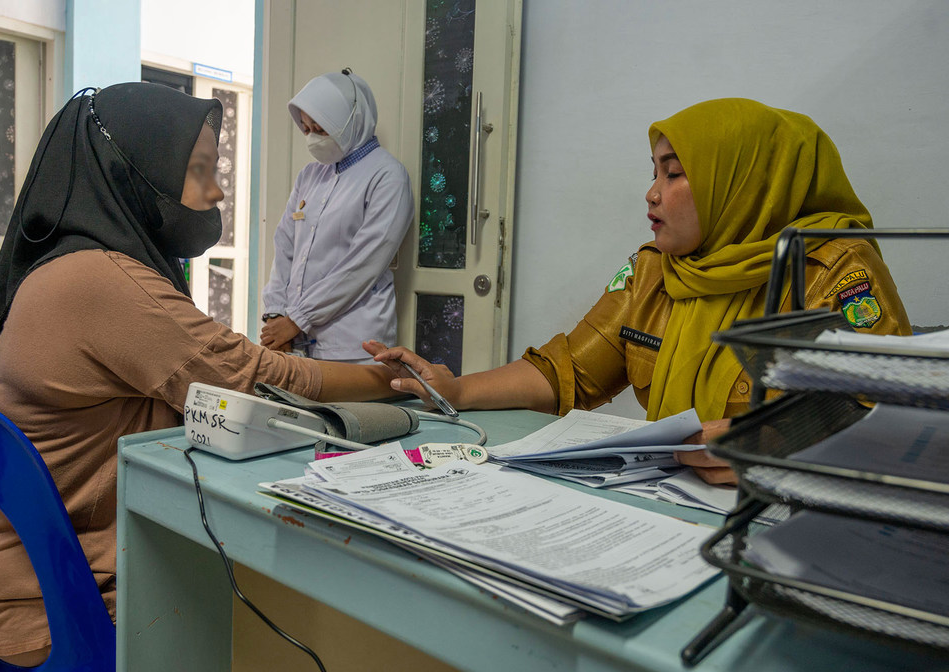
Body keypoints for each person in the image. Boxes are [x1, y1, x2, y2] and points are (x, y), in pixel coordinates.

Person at [0, 83, 398, 666]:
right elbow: (254, 376)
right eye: (198, 171)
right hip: (54, 590)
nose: (215, 191)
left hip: (6, 567)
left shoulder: (63, 261)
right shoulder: (102, 281)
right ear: (135, 172)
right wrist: (391, 381)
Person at [367, 97, 911, 485]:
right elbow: (569, 371)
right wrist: (455, 390)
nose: (651, 193)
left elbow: (885, 412)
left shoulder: (832, 268)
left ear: (744, 184)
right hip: (672, 495)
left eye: (674, 174)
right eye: (654, 172)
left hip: (779, 519)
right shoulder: (657, 269)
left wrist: (772, 440)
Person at [260, 69, 413, 363]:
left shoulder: (388, 176)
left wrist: (297, 319)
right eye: (306, 129)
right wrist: (276, 314)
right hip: (295, 339)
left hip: (354, 344)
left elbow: (363, 265)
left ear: (350, 121)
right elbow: (285, 248)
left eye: (321, 128)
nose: (312, 138)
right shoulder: (310, 175)